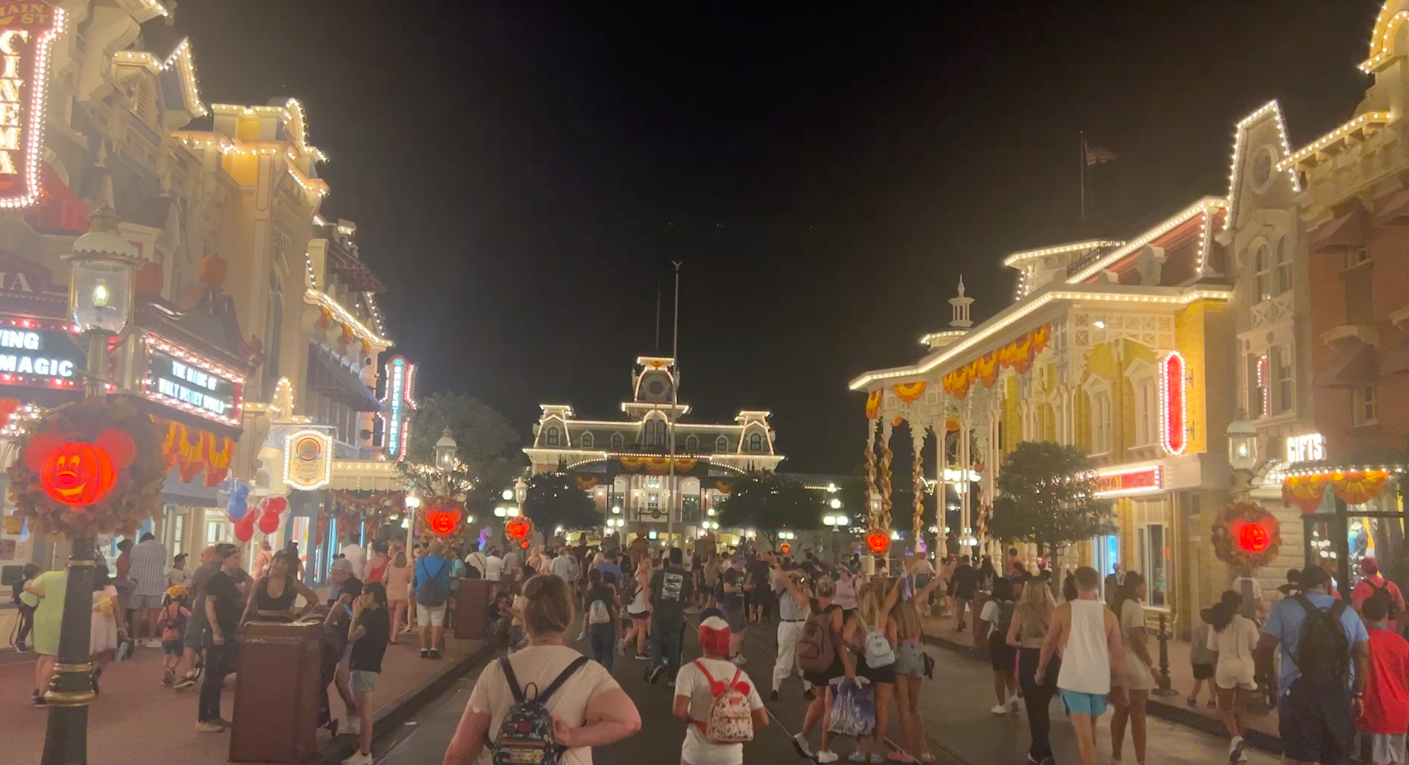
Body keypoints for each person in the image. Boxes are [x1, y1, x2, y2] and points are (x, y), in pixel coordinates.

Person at [443, 574, 642, 764]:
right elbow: (629, 721)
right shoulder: (588, 672)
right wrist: (573, 736)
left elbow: (458, 754)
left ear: (526, 621)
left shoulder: (496, 671)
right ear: (567, 619)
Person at [1256, 565, 1370, 765]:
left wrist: (1263, 680)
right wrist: (1358, 693)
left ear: (1301, 586)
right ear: (1326, 584)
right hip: (1338, 692)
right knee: (1336, 755)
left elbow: (1265, 648)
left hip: (1298, 694)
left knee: (1300, 757)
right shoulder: (1348, 612)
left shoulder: (1284, 608)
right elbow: (1363, 654)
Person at [1036, 566, 1131, 765]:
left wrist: (1040, 670)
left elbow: (1048, 645)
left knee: (1084, 735)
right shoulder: (1109, 616)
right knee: (1089, 732)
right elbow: (1118, 655)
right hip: (1098, 681)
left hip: (1074, 679)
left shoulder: (1062, 612)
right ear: (1097, 584)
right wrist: (1125, 685)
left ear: (1075, 584)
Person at [673, 609, 769, 765]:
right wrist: (733, 727)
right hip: (730, 758)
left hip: (696, 754)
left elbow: (679, 712)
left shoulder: (688, 671)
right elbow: (763, 719)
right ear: (728, 641)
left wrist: (694, 720)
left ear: (701, 639)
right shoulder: (740, 675)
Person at [841, 578, 903, 763]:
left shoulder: (856, 617)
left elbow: (845, 637)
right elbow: (893, 638)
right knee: (882, 707)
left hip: (865, 663)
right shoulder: (884, 615)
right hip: (885, 664)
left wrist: (856, 649)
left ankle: (860, 751)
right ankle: (877, 750)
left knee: (861, 707)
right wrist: (891, 648)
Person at [1008, 571, 1059, 765]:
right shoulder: (1053, 610)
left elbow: (1010, 639)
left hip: (1029, 658)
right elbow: (1059, 639)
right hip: (1050, 658)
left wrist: (1021, 644)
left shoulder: (1020, 610)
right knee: (1043, 705)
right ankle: (1041, 750)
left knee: (1033, 707)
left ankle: (1040, 750)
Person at [1108, 571, 1156, 765]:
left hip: (1117, 663)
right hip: (1134, 664)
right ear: (1136, 587)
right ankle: (1140, 760)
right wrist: (1151, 666)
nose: (1146, 589)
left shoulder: (1116, 607)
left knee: (1120, 712)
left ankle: (1116, 755)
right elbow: (1137, 640)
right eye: (1144, 585)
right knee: (1138, 717)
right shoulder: (1134, 608)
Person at [895, 579, 944, 765]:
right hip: (917, 655)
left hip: (901, 655)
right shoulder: (913, 606)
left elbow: (891, 639)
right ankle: (924, 750)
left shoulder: (894, 613)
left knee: (903, 708)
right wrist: (944, 574)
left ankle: (907, 750)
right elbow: (929, 588)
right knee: (914, 708)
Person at [1358, 592, 1409, 765]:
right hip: (1400, 713)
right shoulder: (1402, 644)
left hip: (1372, 712)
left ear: (1363, 615)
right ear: (1386, 615)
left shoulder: (1362, 643)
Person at [198, 543, 243, 732]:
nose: (238, 562)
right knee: (211, 675)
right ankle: (202, 719)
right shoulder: (216, 580)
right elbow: (209, 606)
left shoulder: (230, 579)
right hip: (217, 631)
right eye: (235, 558)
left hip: (227, 630)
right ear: (224, 559)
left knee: (218, 676)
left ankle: (214, 715)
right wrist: (215, 630)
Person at [343, 582, 390, 765]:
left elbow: (351, 637)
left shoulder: (369, 617)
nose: (361, 598)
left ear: (372, 596)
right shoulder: (382, 614)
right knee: (364, 711)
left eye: (364, 594)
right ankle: (363, 751)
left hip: (363, 665)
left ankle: (364, 753)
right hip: (372, 666)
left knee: (364, 712)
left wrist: (355, 615)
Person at [1210, 590, 1259, 762]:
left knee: (1224, 707)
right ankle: (1238, 750)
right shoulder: (1248, 624)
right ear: (1239, 605)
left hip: (1225, 666)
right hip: (1245, 667)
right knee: (1241, 710)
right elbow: (1255, 647)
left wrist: (1215, 673)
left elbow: (1214, 652)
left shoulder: (1216, 623)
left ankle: (1235, 736)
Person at [320, 559, 363, 735]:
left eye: (333, 573)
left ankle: (357, 718)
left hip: (355, 638)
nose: (331, 576)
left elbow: (340, 606)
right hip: (350, 636)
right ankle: (353, 719)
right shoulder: (350, 585)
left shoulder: (350, 586)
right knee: (344, 682)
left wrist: (326, 623)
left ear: (343, 573)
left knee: (343, 681)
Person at [647, 547, 694, 685]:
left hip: (660, 614)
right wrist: (681, 606)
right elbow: (691, 600)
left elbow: (648, 595)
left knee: (655, 641)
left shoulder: (658, 574)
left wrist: (655, 604)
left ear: (668, 559)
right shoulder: (686, 577)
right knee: (674, 646)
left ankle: (657, 663)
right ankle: (672, 678)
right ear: (681, 560)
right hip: (676, 616)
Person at [173, 545, 219, 689]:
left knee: (191, 638)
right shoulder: (229, 570)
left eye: (202, 555)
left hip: (201, 608)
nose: (200, 559)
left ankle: (188, 673)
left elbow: (193, 589)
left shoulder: (202, 570)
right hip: (221, 610)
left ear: (211, 556)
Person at [768, 555, 811, 701]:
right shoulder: (783, 587)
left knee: (804, 657)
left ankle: (808, 688)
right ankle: (775, 688)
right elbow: (777, 576)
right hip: (787, 623)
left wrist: (803, 584)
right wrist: (792, 573)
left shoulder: (806, 590)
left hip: (801, 622)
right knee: (784, 656)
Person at [25, 563, 67, 706]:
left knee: (44, 656)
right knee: (52, 657)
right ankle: (43, 696)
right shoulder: (75, 582)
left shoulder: (48, 576)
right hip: (59, 620)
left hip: (41, 618)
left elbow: (28, 593)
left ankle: (38, 688)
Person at [241, 549, 318, 623]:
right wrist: (241, 626)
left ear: (288, 566)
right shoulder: (259, 582)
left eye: (284, 563)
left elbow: (314, 599)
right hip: (261, 624)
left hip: (284, 626)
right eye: (277, 561)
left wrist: (299, 616)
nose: (279, 565)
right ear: (272, 562)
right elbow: (249, 607)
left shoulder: (292, 582)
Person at [979, 576, 1019, 715]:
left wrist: (978, 640)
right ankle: (1013, 698)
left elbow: (983, 623)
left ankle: (1001, 704)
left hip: (997, 639)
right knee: (1010, 670)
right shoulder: (1014, 604)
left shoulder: (991, 604)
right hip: (1012, 638)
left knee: (998, 672)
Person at [89, 565, 126, 695]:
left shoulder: (88, 587)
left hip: (91, 618)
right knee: (108, 649)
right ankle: (96, 672)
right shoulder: (110, 588)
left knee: (91, 649)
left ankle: (88, 673)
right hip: (106, 619)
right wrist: (121, 625)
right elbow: (116, 606)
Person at [127, 532, 167, 647]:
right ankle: (151, 638)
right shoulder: (162, 548)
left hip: (137, 583)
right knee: (154, 611)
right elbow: (163, 563)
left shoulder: (135, 548)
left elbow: (131, 563)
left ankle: (135, 638)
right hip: (155, 583)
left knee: (137, 611)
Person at [414, 540, 451, 659]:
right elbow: (449, 559)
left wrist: (428, 549)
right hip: (439, 596)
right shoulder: (445, 564)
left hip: (422, 595)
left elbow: (419, 556)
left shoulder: (421, 562)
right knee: (437, 622)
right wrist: (444, 551)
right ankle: (434, 649)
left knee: (423, 622)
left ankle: (423, 649)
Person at [1353, 557, 1406, 632]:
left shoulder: (1361, 587)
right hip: (1391, 626)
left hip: (1370, 628)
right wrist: (1391, 617)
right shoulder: (1391, 585)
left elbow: (1357, 609)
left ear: (1363, 570)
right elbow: (1401, 607)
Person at [584, 569, 619, 669]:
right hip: (608, 625)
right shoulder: (609, 591)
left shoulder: (588, 594)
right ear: (601, 578)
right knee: (608, 654)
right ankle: (607, 676)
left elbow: (586, 610)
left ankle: (598, 675)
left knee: (596, 653)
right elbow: (617, 604)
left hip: (593, 626)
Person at [157, 585, 191, 686]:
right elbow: (190, 616)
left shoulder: (165, 609)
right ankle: (172, 667)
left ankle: (166, 671)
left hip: (166, 636)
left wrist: (163, 629)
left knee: (166, 655)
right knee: (180, 655)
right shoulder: (181, 609)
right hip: (177, 635)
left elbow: (159, 621)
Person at [622, 556, 653, 661]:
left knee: (635, 628)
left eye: (649, 563)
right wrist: (649, 605)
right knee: (642, 630)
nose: (648, 565)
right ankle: (639, 653)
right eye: (646, 562)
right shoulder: (643, 575)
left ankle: (622, 644)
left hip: (632, 606)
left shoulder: (636, 573)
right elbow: (646, 591)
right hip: (640, 607)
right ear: (641, 563)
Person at [720, 555, 748, 664]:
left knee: (742, 629)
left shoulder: (741, 573)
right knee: (735, 632)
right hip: (731, 606)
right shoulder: (729, 573)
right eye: (739, 564)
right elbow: (726, 589)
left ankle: (736, 652)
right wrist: (741, 588)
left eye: (742, 564)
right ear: (733, 563)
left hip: (739, 604)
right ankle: (731, 656)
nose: (741, 566)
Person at [1188, 607, 1218, 709]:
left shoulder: (1198, 631)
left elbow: (1195, 647)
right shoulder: (1216, 630)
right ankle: (1212, 700)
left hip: (1200, 660)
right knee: (1212, 682)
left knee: (1198, 681)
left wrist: (1192, 659)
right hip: (1212, 660)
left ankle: (1192, 697)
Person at [11, 561, 40, 652]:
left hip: (24, 607)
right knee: (29, 624)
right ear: (36, 573)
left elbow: (16, 597)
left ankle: (21, 641)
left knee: (28, 624)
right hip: (31, 607)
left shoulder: (18, 583)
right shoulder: (33, 583)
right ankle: (21, 641)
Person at [384, 548, 411, 644]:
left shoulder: (390, 566)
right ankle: (394, 637)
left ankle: (390, 633)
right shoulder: (408, 568)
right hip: (402, 594)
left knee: (390, 616)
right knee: (397, 616)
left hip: (390, 594)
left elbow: (384, 578)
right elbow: (410, 580)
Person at [950, 555, 977, 632]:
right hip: (971, 593)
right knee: (973, 611)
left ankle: (960, 625)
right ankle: (974, 626)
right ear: (969, 560)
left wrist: (954, 593)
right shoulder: (973, 570)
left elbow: (956, 583)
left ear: (962, 561)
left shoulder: (959, 570)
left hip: (961, 592)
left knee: (960, 610)